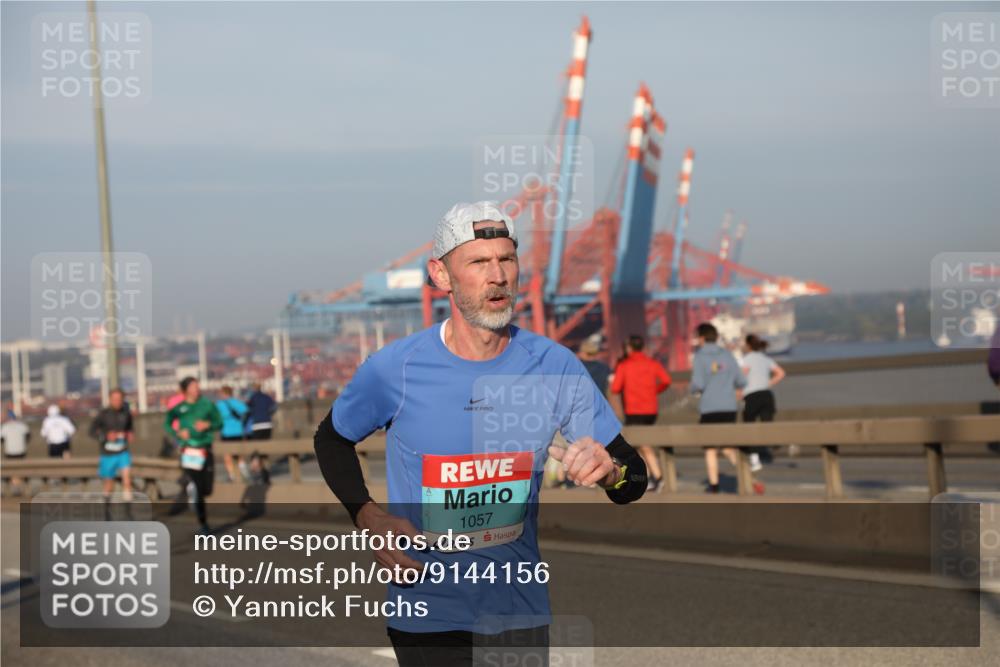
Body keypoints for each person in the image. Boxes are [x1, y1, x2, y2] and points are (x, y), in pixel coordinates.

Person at [314, 201, 647, 666]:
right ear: (441, 275)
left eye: (506, 260)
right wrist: (367, 515)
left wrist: (610, 472)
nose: (498, 276)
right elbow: (330, 439)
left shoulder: (552, 365)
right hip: (427, 612)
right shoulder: (397, 368)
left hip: (519, 614)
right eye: (478, 262)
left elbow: (634, 478)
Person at [690, 322, 761, 495]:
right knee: (729, 447)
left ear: (701, 338)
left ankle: (714, 488)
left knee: (710, 449)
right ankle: (750, 479)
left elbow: (697, 384)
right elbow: (742, 381)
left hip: (709, 408)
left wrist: (694, 389)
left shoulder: (700, 356)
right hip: (729, 407)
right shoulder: (727, 355)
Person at [610, 334, 672, 492]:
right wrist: (654, 391)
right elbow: (666, 380)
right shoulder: (652, 363)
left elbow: (615, 388)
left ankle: (657, 477)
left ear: (629, 347)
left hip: (634, 410)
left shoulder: (625, 365)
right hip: (651, 410)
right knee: (639, 444)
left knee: (642, 444)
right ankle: (650, 477)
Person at [165, 377, 222, 534]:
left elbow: (219, 422)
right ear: (185, 390)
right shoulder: (180, 408)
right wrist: (178, 432)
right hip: (189, 451)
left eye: (197, 386)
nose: (196, 389)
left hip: (205, 449)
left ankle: (193, 489)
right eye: (192, 387)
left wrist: (208, 425)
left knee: (206, 489)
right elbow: (167, 423)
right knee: (197, 487)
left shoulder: (207, 405)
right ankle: (203, 522)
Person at [740, 334, 786, 470]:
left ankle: (755, 460)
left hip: (752, 396)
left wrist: (739, 391)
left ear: (748, 345)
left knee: (750, 428)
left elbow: (742, 377)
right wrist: (767, 383)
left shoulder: (746, 359)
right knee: (767, 425)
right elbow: (781, 373)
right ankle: (772, 445)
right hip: (766, 395)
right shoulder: (765, 359)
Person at [90, 388, 135, 507]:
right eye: (114, 399)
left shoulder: (126, 413)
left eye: (120, 399)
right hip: (108, 453)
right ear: (110, 400)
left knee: (127, 479)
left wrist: (130, 433)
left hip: (123, 451)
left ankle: (128, 509)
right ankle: (106, 507)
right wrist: (105, 436)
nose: (117, 402)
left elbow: (130, 427)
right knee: (109, 485)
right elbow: (91, 431)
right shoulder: (103, 414)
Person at [216, 385, 249, 481]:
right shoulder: (237, 402)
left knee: (227, 455)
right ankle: (244, 471)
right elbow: (246, 411)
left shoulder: (220, 404)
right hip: (238, 431)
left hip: (226, 432)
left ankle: (232, 475)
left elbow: (216, 417)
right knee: (239, 454)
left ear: (223, 393)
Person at [1, 410, 29, 495]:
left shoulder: (4, 427)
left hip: (10, 451)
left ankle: (15, 486)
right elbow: (28, 436)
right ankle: (19, 484)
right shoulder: (22, 426)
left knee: (12, 469)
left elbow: (1, 439)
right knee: (20, 468)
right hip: (21, 451)